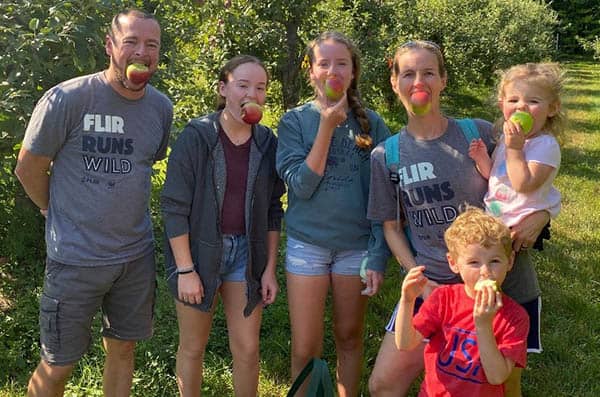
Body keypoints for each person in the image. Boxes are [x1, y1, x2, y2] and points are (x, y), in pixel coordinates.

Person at [367, 40, 549, 397]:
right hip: (434, 283)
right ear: (395, 83)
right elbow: (390, 227)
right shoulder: (385, 155)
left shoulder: (476, 132)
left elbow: (522, 186)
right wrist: (414, 276)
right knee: (383, 385)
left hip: (497, 277)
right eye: (408, 73)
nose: (419, 81)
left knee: (504, 384)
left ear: (443, 80)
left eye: (428, 73)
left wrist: (542, 215)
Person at [14, 9, 172, 397]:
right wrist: (52, 210)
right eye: (131, 41)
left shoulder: (160, 108)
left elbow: (144, 164)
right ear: (110, 45)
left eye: (151, 44)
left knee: (123, 348)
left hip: (134, 257)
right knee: (58, 361)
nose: (141, 51)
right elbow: (29, 168)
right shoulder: (67, 99)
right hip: (75, 257)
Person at [160, 55, 285, 397]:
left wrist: (269, 269)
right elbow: (173, 207)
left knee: (247, 349)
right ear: (223, 88)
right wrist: (185, 269)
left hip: (247, 255)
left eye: (260, 88)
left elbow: (274, 210)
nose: (252, 94)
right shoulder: (197, 137)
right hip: (198, 252)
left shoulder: (267, 143)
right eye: (243, 85)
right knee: (192, 347)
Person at [275, 31, 391, 396]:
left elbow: (384, 197)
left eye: (341, 63)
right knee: (305, 347)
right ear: (311, 71)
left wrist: (378, 252)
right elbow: (302, 186)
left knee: (350, 337)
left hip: (355, 248)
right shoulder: (295, 122)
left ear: (353, 72)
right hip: (308, 245)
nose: (332, 70)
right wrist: (327, 127)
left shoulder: (372, 124)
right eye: (323, 63)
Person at [395, 207, 529, 396]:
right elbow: (405, 343)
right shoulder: (443, 299)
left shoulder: (515, 317)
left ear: (510, 261)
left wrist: (483, 325)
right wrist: (407, 302)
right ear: (453, 263)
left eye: (495, 261)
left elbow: (497, 377)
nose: (485, 271)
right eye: (474, 262)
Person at [469, 62, 563, 229]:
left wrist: (514, 149)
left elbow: (523, 185)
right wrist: (482, 158)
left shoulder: (545, 146)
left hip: (519, 224)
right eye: (513, 100)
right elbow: (497, 175)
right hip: (495, 215)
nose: (521, 106)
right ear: (502, 106)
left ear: (552, 108)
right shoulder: (507, 138)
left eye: (533, 101)